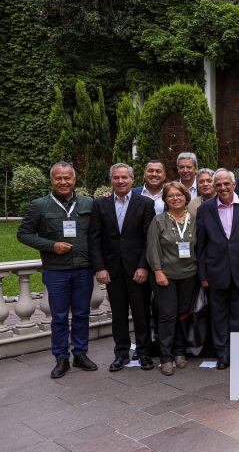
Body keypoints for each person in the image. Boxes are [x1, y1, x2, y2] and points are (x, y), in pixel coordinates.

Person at [17, 162, 98, 378]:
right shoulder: (39, 205)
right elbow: (23, 234)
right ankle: (61, 358)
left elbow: (98, 233)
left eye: (67, 178)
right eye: (58, 178)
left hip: (83, 269)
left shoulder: (89, 203)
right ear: (51, 180)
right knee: (59, 316)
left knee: (82, 314)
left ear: (74, 180)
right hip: (56, 271)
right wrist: (52, 246)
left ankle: (80, 354)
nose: (63, 182)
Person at [88, 163, 156, 372]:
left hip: (137, 269)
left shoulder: (145, 204)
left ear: (132, 180)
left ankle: (144, 353)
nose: (120, 181)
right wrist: (99, 267)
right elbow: (94, 238)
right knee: (117, 315)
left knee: (142, 314)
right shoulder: (100, 204)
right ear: (111, 180)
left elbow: (149, 239)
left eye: (124, 177)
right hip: (112, 270)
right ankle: (121, 354)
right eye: (116, 177)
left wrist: (144, 266)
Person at [196, 169, 239, 369]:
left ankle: (238, 352)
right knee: (218, 315)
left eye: (226, 184)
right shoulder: (205, 209)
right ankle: (222, 353)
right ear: (214, 187)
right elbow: (201, 244)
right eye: (218, 185)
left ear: (234, 185)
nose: (222, 188)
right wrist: (203, 274)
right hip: (216, 271)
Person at [147, 182, 198, 376]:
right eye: (170, 196)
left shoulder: (194, 219)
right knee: (167, 315)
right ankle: (166, 357)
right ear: (165, 200)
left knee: (182, 314)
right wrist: (158, 271)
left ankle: (179, 351)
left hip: (189, 275)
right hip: (165, 276)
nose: (175, 198)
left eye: (179, 195)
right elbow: (152, 248)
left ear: (186, 197)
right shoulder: (159, 221)